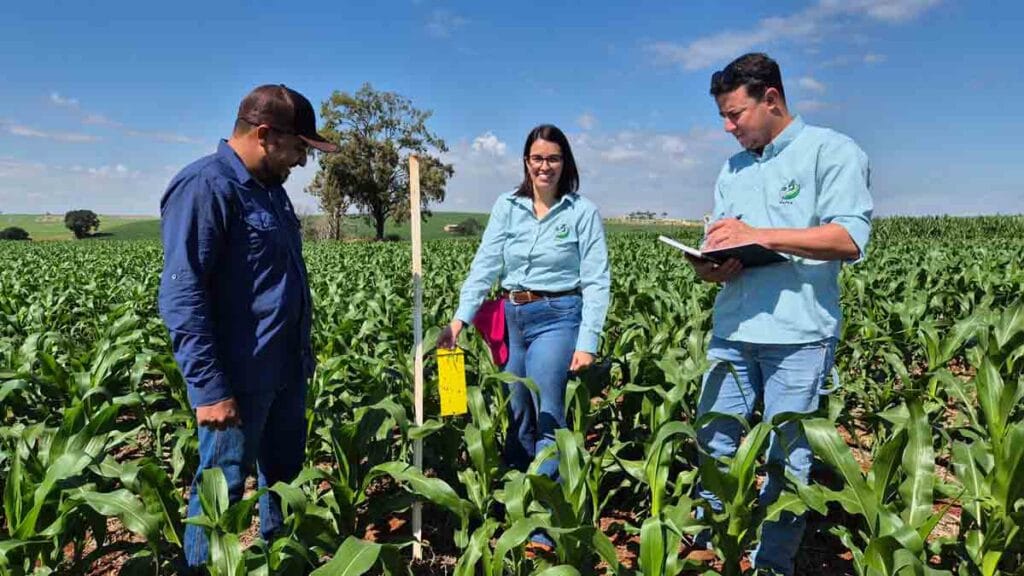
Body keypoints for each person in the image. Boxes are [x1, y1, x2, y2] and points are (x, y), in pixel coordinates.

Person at [686, 53, 873, 575]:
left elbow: (848, 237)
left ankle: (770, 563)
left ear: (771, 99)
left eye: (736, 114)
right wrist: (711, 267)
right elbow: (722, 242)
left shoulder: (830, 152)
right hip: (733, 328)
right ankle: (709, 547)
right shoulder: (733, 169)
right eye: (722, 116)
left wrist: (760, 234)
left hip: (799, 335)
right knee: (714, 441)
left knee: (787, 459)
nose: (728, 127)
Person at [158, 84, 339, 569]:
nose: (302, 161)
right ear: (265, 135)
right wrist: (210, 390)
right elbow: (182, 293)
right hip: (236, 381)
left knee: (284, 480)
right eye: (300, 147)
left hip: (284, 371)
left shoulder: (272, 192)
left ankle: (280, 561)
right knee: (223, 493)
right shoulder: (205, 186)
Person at [437, 124, 611, 549]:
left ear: (564, 163)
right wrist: (460, 319)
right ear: (526, 162)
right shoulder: (508, 206)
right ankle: (514, 501)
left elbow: (597, 279)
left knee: (547, 409)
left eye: (553, 158)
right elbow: (485, 264)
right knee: (517, 412)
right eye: (537, 158)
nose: (544, 166)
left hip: (558, 314)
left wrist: (588, 341)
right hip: (512, 315)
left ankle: (541, 521)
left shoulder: (580, 212)